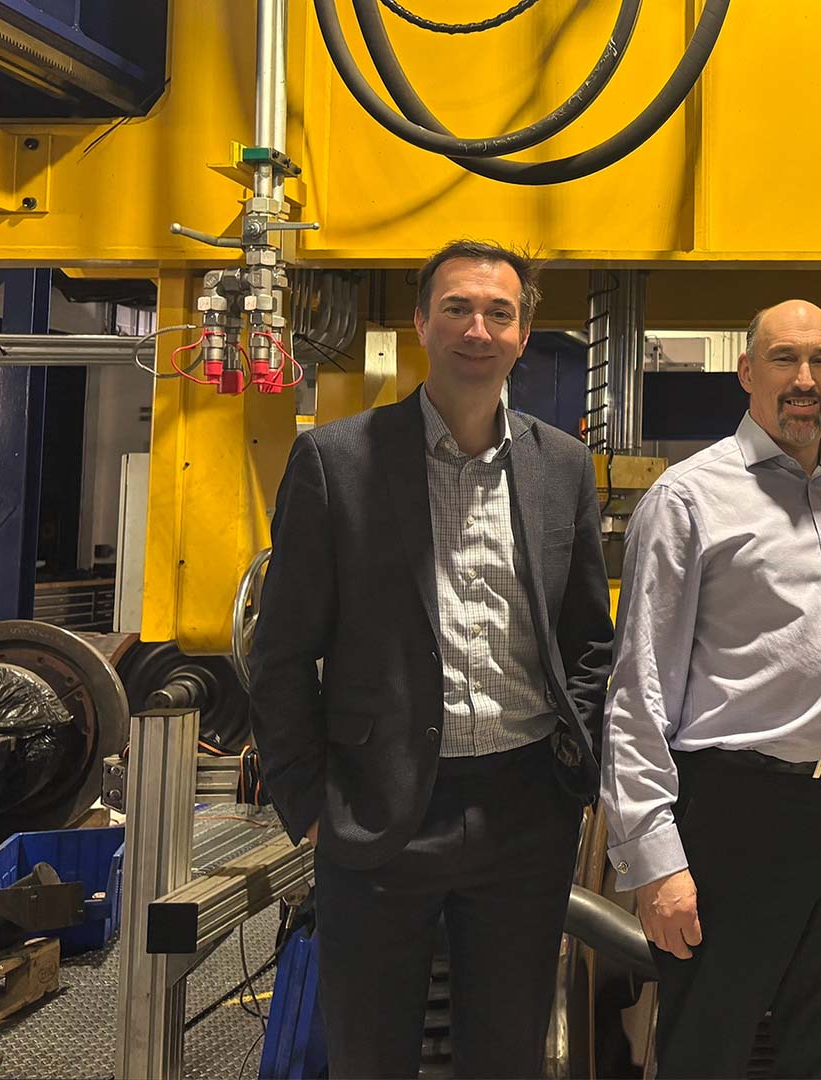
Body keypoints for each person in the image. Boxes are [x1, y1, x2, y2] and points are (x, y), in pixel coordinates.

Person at [250, 240, 613, 1077]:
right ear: (421, 322)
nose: (476, 328)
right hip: (378, 812)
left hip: (526, 808)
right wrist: (307, 801)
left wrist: (574, 770)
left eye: (499, 312)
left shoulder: (561, 465)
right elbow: (282, 651)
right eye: (456, 307)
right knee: (371, 1053)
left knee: (508, 1054)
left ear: (525, 333)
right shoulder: (338, 461)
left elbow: (589, 641)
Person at [599, 299, 821, 1078]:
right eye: (784, 359)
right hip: (734, 817)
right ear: (747, 372)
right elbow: (638, 688)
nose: (803, 379)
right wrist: (655, 861)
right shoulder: (687, 499)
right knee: (706, 1051)